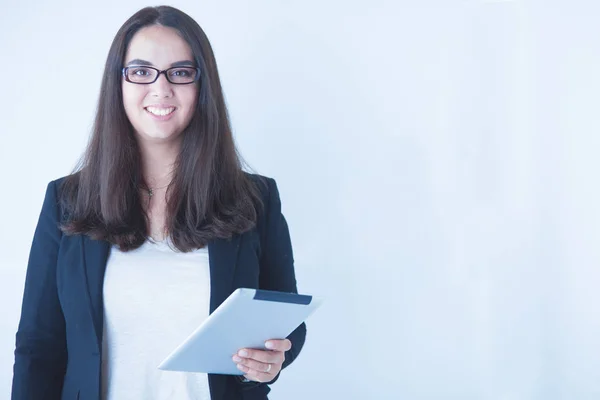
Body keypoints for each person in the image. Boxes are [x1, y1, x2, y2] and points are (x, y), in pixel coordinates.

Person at [11, 5, 306, 400]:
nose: (160, 88)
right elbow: (38, 347)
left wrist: (272, 362)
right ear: (118, 83)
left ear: (202, 86)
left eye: (181, 72)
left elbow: (285, 322)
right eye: (141, 71)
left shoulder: (255, 199)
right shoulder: (67, 201)